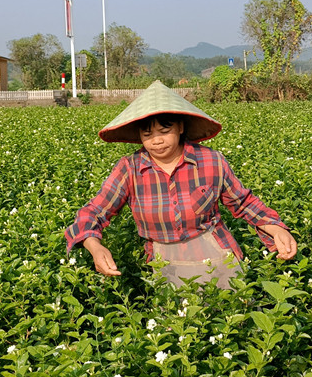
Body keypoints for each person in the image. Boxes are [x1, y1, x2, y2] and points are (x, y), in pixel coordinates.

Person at [65, 80, 297, 289]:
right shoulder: (130, 168)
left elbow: (244, 202)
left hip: (219, 256)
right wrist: (94, 246)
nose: (156, 141)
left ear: (181, 128)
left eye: (165, 131)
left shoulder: (210, 161)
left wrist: (276, 229)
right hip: (165, 263)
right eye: (147, 135)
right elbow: (94, 211)